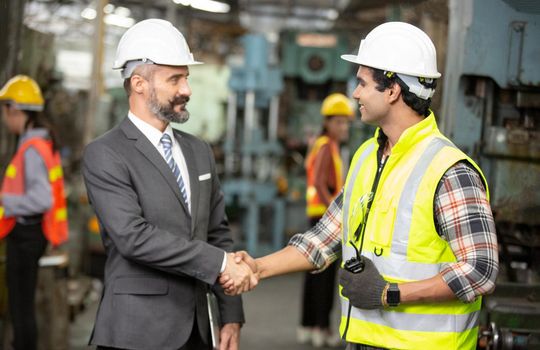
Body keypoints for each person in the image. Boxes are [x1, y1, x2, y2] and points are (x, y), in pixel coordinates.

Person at [222, 22, 499, 349]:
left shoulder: (449, 170)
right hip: (362, 341)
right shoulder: (368, 155)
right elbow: (323, 239)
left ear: (393, 90)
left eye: (363, 83)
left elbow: (480, 271)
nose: (355, 94)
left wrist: (389, 294)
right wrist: (258, 266)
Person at [82, 19, 256, 350]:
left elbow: (217, 233)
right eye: (174, 79)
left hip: (199, 329)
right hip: (136, 332)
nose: (186, 90)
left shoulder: (198, 151)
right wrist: (220, 264)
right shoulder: (105, 154)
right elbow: (133, 237)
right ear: (138, 84)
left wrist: (230, 313)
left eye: (186, 78)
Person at [0, 75, 69, 350]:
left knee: (21, 309)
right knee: (22, 306)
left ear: (15, 109)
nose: (4, 119)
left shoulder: (31, 149)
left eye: (4, 111)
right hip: (33, 235)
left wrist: (5, 201)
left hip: (27, 236)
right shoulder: (39, 143)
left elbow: (42, 200)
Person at [299, 93, 352, 347]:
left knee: (313, 275)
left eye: (346, 122)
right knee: (324, 278)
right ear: (328, 122)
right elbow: (320, 183)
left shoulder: (322, 144)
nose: (344, 127)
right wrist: (337, 210)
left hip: (317, 215)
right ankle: (321, 327)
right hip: (324, 218)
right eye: (339, 122)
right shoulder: (326, 146)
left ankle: (309, 325)